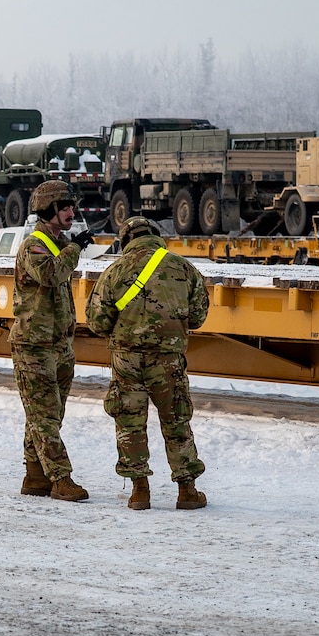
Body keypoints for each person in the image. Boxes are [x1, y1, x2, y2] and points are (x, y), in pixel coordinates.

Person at [86, 215, 211, 510]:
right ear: (156, 235)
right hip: (168, 360)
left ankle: (139, 491)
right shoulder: (183, 267)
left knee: (129, 422)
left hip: (127, 359)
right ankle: (187, 491)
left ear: (126, 240)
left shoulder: (114, 271)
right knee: (176, 421)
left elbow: (97, 321)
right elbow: (198, 316)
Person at [11, 180, 91, 501]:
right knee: (44, 416)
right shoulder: (35, 245)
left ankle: (35, 476)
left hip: (57, 346)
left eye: (73, 206)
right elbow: (51, 274)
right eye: (66, 207)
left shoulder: (57, 244)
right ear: (48, 211)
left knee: (47, 416)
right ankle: (60, 479)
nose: (73, 212)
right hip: (33, 347)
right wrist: (75, 248)